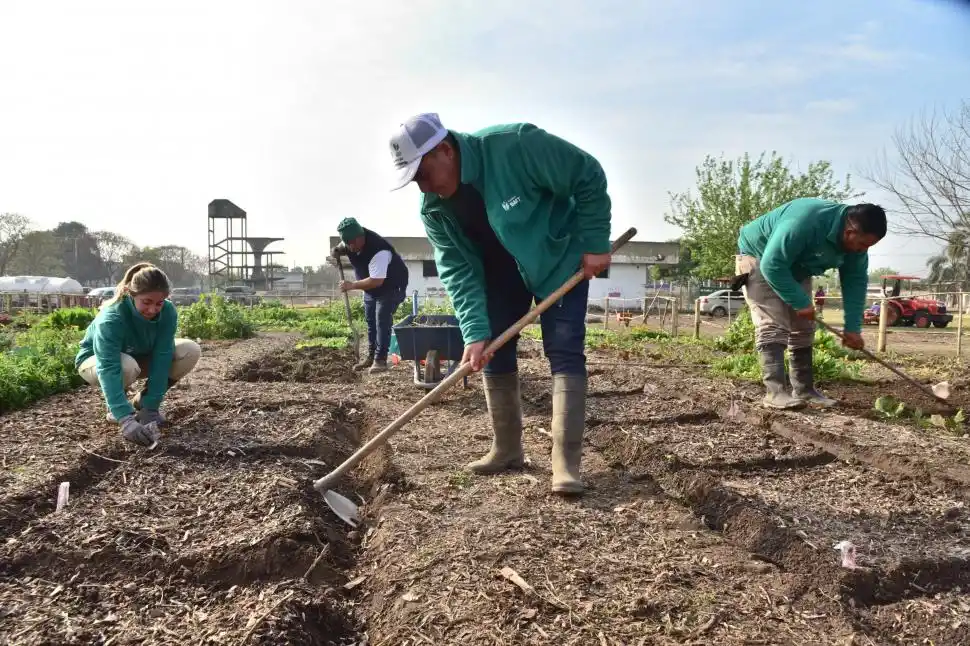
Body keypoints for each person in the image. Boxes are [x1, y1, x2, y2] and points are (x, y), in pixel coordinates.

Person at [386, 112, 613, 495]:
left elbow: (587, 174)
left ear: (444, 150)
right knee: (494, 349)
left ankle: (565, 463)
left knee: (565, 351)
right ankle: (507, 449)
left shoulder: (516, 145)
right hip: (498, 276)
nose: (422, 188)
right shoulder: (435, 210)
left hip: (556, 260)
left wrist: (594, 242)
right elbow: (457, 270)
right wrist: (474, 332)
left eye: (422, 175)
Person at [735, 198, 886, 410]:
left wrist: (852, 328)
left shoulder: (856, 249)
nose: (863, 250)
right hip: (760, 257)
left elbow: (855, 283)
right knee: (773, 324)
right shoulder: (804, 222)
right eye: (862, 244)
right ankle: (775, 392)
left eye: (868, 247)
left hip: (797, 265)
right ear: (850, 230)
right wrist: (799, 302)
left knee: (804, 327)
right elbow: (772, 264)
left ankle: (804, 391)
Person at [76, 263, 202, 447]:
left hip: (139, 357)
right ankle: (118, 407)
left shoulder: (167, 312)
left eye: (158, 303)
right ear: (130, 293)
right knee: (125, 365)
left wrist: (151, 406)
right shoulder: (112, 318)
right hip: (96, 362)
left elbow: (162, 356)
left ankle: (142, 402)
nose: (152, 310)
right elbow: (108, 366)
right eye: (146, 302)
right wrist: (125, 420)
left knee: (190, 350)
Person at [330, 217, 409, 373]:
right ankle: (371, 357)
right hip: (371, 289)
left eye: (353, 243)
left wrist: (351, 285)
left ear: (361, 237)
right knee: (371, 321)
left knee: (382, 321)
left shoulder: (379, 250)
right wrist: (336, 251)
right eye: (347, 243)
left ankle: (380, 360)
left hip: (390, 287)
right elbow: (339, 248)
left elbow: (376, 280)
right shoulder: (349, 243)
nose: (350, 247)